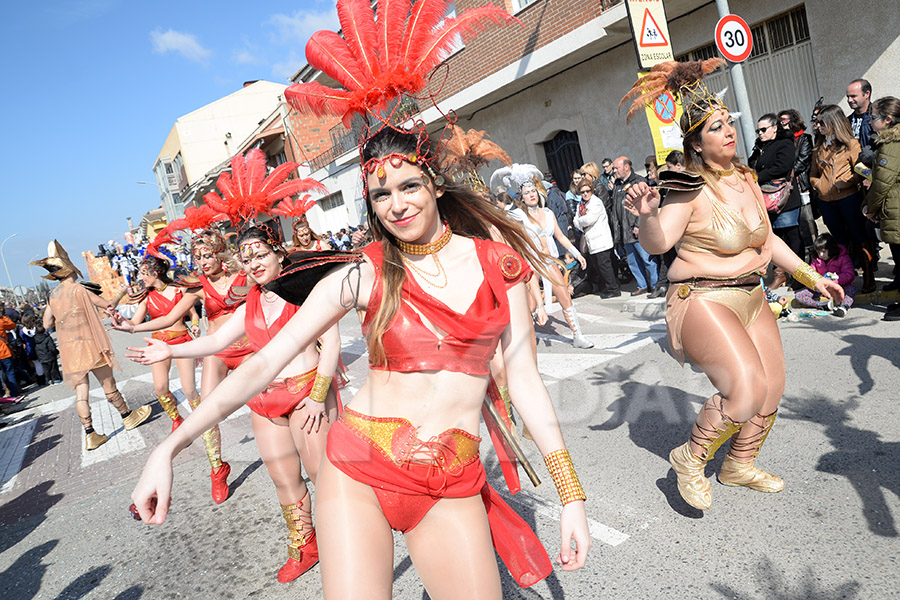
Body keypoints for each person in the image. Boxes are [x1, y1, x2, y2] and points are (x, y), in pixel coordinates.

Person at [131, 126, 591, 596]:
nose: (397, 204)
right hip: (358, 470)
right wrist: (168, 448)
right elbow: (261, 364)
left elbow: (526, 380)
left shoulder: (500, 265)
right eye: (381, 194)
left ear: (434, 183)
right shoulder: (363, 274)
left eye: (409, 186)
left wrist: (570, 493)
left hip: (449, 480)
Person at [621, 58, 844, 510]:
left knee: (772, 387)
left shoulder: (745, 177)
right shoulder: (687, 185)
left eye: (728, 124)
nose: (728, 132)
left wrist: (812, 277)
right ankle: (690, 457)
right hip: (703, 296)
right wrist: (645, 215)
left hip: (752, 294)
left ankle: (739, 464)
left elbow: (769, 242)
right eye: (715, 128)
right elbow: (659, 240)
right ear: (696, 146)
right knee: (744, 388)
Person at [127, 149, 342, 583]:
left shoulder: (304, 292)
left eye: (261, 252)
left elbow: (332, 342)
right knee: (285, 482)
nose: (254, 263)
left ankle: (345, 545)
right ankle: (305, 546)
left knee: (327, 480)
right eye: (247, 258)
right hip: (265, 401)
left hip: (307, 396)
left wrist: (320, 397)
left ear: (278, 252)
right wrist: (171, 352)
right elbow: (218, 340)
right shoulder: (251, 302)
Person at [113, 227, 247, 504]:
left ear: (219, 253)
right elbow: (170, 317)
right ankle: (217, 468)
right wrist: (131, 329)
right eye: (197, 257)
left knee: (269, 407)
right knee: (206, 411)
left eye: (207, 255)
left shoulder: (244, 276)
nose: (202, 261)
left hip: (251, 348)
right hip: (217, 351)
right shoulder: (198, 287)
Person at [30, 241, 151, 450]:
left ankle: (90, 434)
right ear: (68, 269)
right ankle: (128, 416)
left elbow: (47, 323)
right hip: (89, 346)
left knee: (81, 394)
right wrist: (122, 291)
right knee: (108, 386)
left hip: (70, 351)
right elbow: (108, 306)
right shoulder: (78, 289)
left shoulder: (52, 295)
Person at [119, 254, 201, 433]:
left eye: (143, 273)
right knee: (160, 388)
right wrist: (121, 320)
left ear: (155, 273)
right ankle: (176, 419)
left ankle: (201, 419)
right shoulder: (146, 297)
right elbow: (134, 323)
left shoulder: (180, 290)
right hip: (157, 344)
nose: (141, 277)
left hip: (181, 342)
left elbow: (193, 314)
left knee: (189, 389)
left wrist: (195, 325)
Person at [510, 180, 593, 348]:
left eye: (533, 191)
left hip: (549, 261)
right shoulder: (519, 215)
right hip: (531, 263)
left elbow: (560, 236)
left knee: (565, 296)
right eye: (527, 193)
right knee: (531, 305)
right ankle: (526, 337)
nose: (531, 194)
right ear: (522, 198)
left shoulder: (548, 213)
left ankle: (578, 335)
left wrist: (577, 254)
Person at [810, 105, 872, 291]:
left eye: (822, 122)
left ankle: (869, 276)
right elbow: (813, 173)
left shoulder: (851, 144)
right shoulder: (819, 148)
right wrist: (818, 185)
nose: (818, 126)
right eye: (818, 122)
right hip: (827, 201)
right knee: (839, 241)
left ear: (833, 123)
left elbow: (861, 171)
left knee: (860, 237)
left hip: (848, 198)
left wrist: (845, 183)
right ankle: (844, 279)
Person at [749, 113, 803, 289]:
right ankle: (780, 276)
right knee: (774, 238)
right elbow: (752, 165)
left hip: (784, 198)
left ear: (775, 128)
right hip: (766, 197)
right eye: (758, 130)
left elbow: (783, 166)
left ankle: (799, 275)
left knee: (791, 235)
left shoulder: (785, 144)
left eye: (764, 129)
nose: (760, 133)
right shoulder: (760, 146)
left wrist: (758, 176)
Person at [867, 96, 900, 315]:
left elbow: (882, 183)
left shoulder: (892, 144)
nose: (870, 121)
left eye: (873, 117)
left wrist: (870, 208)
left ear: (887, 120)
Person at [612, 157, 659, 296]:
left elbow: (645, 206)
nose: (614, 171)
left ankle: (655, 285)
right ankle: (642, 285)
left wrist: (639, 224)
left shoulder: (639, 181)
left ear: (626, 167)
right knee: (632, 261)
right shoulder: (617, 184)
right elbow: (615, 209)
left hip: (637, 230)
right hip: (624, 231)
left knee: (647, 259)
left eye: (616, 168)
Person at [778, 109, 817, 261]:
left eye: (785, 121)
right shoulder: (779, 141)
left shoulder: (804, 138)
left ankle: (815, 257)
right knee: (794, 228)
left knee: (807, 223)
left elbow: (803, 160)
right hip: (785, 188)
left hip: (800, 185)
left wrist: (785, 171)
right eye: (780, 122)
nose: (783, 124)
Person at [572, 178, 619, 299]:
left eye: (588, 191)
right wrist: (580, 221)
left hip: (600, 240)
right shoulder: (581, 205)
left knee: (605, 266)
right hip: (591, 241)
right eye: (582, 192)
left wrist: (580, 221)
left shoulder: (596, 202)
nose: (586, 194)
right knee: (598, 267)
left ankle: (613, 289)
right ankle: (608, 287)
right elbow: (575, 220)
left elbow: (588, 219)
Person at [793, 233, 856, 317]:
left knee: (851, 289)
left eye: (823, 252)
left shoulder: (842, 257)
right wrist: (816, 284)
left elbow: (849, 274)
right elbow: (811, 274)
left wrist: (836, 281)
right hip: (820, 288)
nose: (821, 255)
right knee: (799, 296)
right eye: (818, 252)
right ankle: (821, 305)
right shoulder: (816, 260)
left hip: (840, 286)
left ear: (831, 249)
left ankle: (844, 306)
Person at [847, 79, 874, 152]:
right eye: (848, 97)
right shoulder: (847, 121)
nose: (849, 100)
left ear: (867, 94)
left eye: (853, 96)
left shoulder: (877, 119)